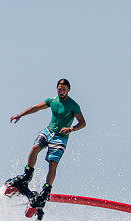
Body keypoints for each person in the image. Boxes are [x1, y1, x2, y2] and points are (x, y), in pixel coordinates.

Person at [6, 78, 86, 208]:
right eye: (60, 89)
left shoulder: (73, 105)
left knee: (53, 163)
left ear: (69, 90)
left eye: (64, 90)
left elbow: (83, 123)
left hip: (61, 137)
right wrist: (20, 115)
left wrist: (71, 129)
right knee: (35, 148)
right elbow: (36, 108)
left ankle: (47, 189)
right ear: (57, 89)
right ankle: (27, 175)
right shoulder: (52, 100)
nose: (61, 92)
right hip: (48, 131)